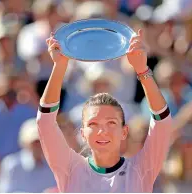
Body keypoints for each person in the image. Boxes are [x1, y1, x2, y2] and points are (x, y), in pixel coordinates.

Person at [37, 29, 173, 192]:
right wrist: (59, 67)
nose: (102, 131)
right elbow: (45, 121)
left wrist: (142, 70)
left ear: (124, 132)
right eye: (93, 124)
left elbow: (162, 121)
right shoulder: (70, 168)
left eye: (111, 123)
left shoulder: (141, 168)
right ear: (82, 133)